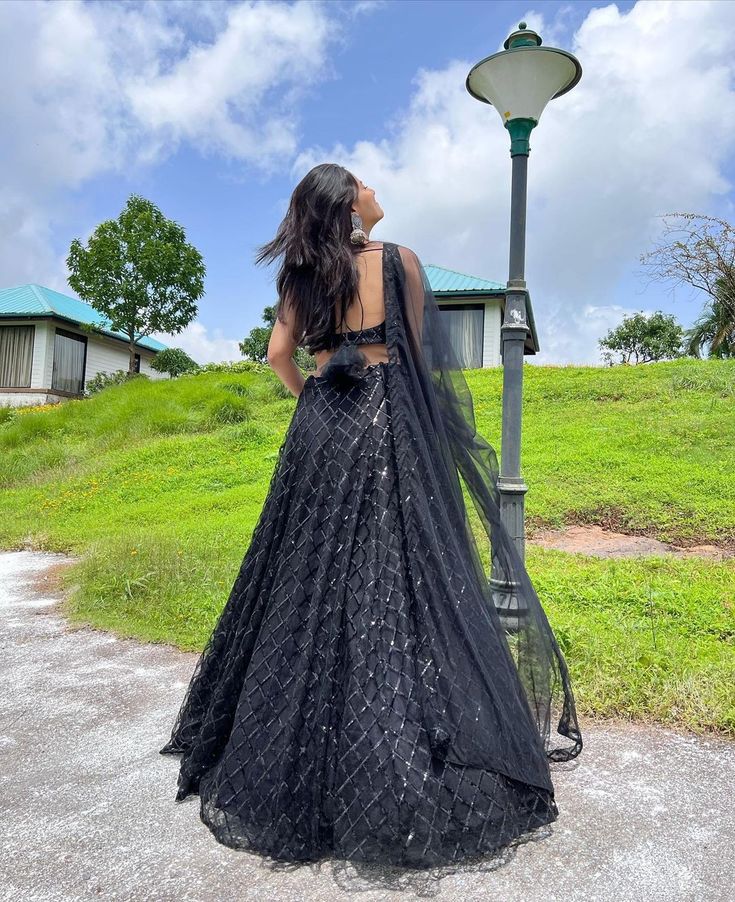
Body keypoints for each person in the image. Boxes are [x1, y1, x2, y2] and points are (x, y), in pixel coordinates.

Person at [160, 162, 583, 884]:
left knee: (304, 573)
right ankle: (392, 734)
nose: (376, 191)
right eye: (364, 184)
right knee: (400, 572)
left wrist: (314, 398)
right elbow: (420, 365)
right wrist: (434, 444)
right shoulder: (398, 262)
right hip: (388, 427)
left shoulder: (299, 276)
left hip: (321, 428)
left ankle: (284, 746)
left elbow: (276, 357)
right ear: (349, 203)